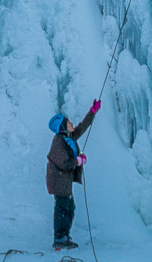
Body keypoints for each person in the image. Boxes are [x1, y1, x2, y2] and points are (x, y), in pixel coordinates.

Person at [46, 100, 100, 250]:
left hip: (64, 181)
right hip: (58, 181)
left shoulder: (68, 138)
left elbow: (82, 127)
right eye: (68, 122)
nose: (71, 123)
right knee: (63, 209)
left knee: (69, 208)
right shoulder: (58, 141)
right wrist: (77, 160)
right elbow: (63, 163)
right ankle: (59, 238)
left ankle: (64, 236)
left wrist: (93, 111)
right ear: (62, 126)